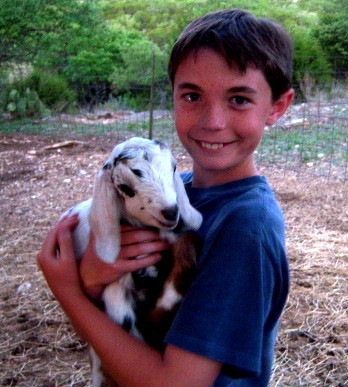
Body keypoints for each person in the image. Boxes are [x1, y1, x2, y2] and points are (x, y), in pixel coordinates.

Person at [37, 8, 294, 386]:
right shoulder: (166, 199)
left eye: (238, 99)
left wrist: (69, 293)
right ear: (172, 95)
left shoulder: (244, 229)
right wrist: (94, 281)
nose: (212, 121)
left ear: (277, 107)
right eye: (192, 95)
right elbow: (118, 336)